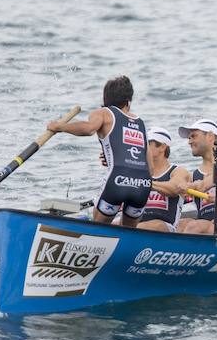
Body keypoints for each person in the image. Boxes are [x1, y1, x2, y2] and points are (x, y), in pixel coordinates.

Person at [46, 76, 152, 228]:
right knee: (129, 233)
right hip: (143, 184)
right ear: (128, 101)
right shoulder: (140, 122)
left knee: (99, 230)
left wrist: (59, 127)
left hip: (118, 180)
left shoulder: (103, 113)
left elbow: (89, 129)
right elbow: (150, 167)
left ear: (106, 99)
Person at [138, 127, 191, 232]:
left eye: (147, 144)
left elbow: (174, 189)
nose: (142, 147)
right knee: (116, 222)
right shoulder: (139, 172)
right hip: (138, 225)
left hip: (165, 228)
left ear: (162, 147)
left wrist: (146, 182)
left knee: (155, 225)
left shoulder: (178, 171)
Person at [175, 118, 217, 232]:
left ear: (210, 137)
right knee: (180, 225)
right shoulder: (193, 176)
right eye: (189, 138)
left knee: (195, 226)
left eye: (193, 136)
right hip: (204, 225)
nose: (189, 142)